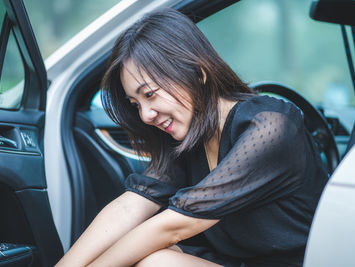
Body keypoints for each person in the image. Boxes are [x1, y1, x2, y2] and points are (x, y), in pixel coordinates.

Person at [55, 8, 328, 267]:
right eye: (135, 103)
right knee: (146, 254)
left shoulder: (270, 126)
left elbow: (174, 226)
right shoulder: (188, 138)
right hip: (238, 261)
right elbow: (130, 207)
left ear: (198, 73)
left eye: (149, 94)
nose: (145, 115)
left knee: (154, 260)